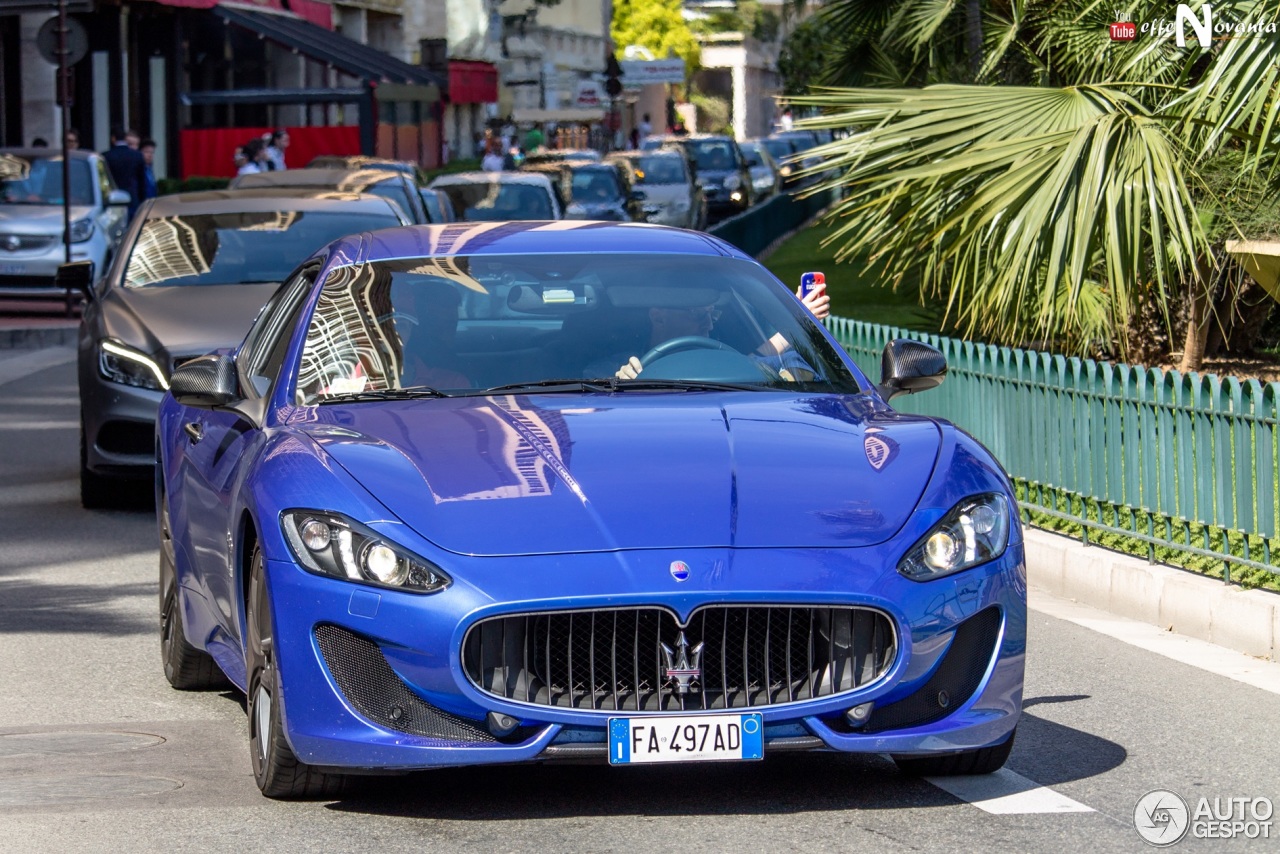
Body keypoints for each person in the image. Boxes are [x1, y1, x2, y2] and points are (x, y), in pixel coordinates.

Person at [612, 282, 830, 381]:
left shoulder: (726, 363)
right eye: (698, 314)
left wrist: (796, 323)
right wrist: (621, 386)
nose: (709, 325)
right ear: (658, 317)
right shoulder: (617, 367)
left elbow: (788, 364)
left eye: (713, 314)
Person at [396, 283, 470, 389]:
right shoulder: (363, 384)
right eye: (445, 306)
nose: (452, 315)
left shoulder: (453, 381)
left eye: (401, 325)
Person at [102, 127, 147, 219]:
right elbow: (142, 180)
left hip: (113, 199)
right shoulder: (137, 155)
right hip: (132, 198)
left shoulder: (106, 156)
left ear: (113, 138)